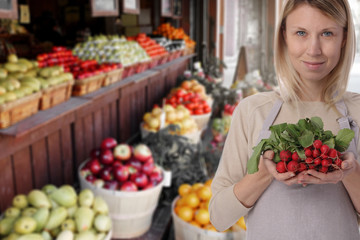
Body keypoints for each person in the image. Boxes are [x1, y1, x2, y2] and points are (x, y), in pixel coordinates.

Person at [209, 0, 360, 239]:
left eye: (327, 33)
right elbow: (218, 217)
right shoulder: (252, 110)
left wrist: (350, 173)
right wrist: (262, 174)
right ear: (284, 37)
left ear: (344, 38)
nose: (314, 49)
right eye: (301, 33)